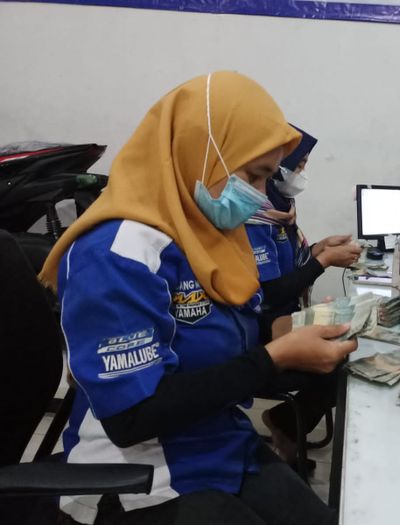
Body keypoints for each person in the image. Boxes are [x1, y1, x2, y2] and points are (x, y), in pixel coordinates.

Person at [38, 71, 357, 525]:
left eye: (268, 178)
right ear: (201, 153)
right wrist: (273, 359)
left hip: (218, 441)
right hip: (138, 475)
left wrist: (300, 333)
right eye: (254, 175)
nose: (261, 196)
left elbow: (230, 336)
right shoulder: (117, 253)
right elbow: (132, 417)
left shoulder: (208, 237)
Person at [243, 128, 361, 466]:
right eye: (299, 164)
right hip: (259, 329)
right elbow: (268, 292)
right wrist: (323, 262)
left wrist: (319, 248)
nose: (302, 172)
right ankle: (285, 425)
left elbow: (289, 266)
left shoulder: (280, 211)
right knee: (340, 363)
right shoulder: (254, 218)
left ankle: (286, 426)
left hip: (282, 320)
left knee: (351, 344)